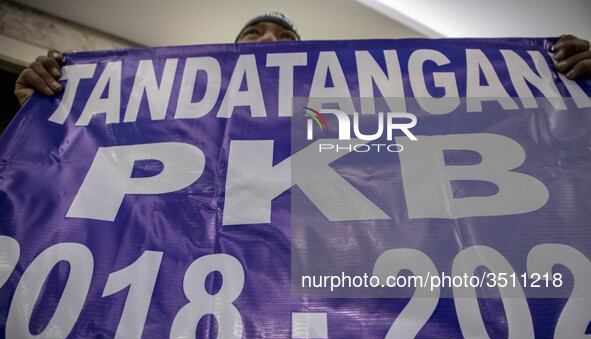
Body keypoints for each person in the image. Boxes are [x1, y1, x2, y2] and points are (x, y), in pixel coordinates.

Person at [12, 12, 591, 107]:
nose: (267, 44)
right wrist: (41, 121)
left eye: (284, 40)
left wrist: (568, 95)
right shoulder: (154, 107)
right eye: (253, 35)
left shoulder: (359, 110)